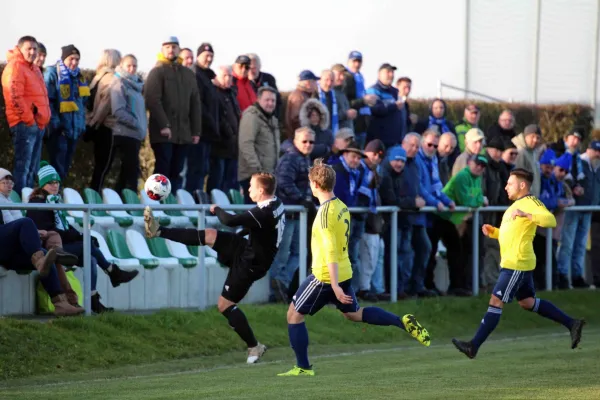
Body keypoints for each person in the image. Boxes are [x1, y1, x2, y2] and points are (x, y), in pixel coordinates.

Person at [278, 159, 430, 377]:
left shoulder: (324, 215)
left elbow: (330, 250)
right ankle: (401, 322)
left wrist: (335, 286)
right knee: (354, 314)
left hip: (325, 277)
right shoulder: (341, 205)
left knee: (294, 315)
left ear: (315, 186)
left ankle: (303, 367)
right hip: (345, 271)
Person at [144, 172, 285, 364]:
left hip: (251, 265)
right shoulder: (276, 203)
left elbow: (229, 220)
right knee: (210, 235)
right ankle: (158, 230)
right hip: (247, 249)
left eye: (251, 186)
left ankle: (254, 346)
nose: (248, 189)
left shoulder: (263, 212)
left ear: (261, 190)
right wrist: (244, 232)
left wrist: (216, 208)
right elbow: (263, 230)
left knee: (224, 305)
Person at [451, 168, 585, 359]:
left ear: (522, 185)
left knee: (495, 301)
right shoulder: (517, 205)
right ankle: (572, 323)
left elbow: (550, 220)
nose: (506, 187)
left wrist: (529, 215)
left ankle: (473, 346)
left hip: (517, 264)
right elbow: (514, 232)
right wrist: (495, 232)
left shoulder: (530, 203)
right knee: (527, 302)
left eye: (510, 183)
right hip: (517, 263)